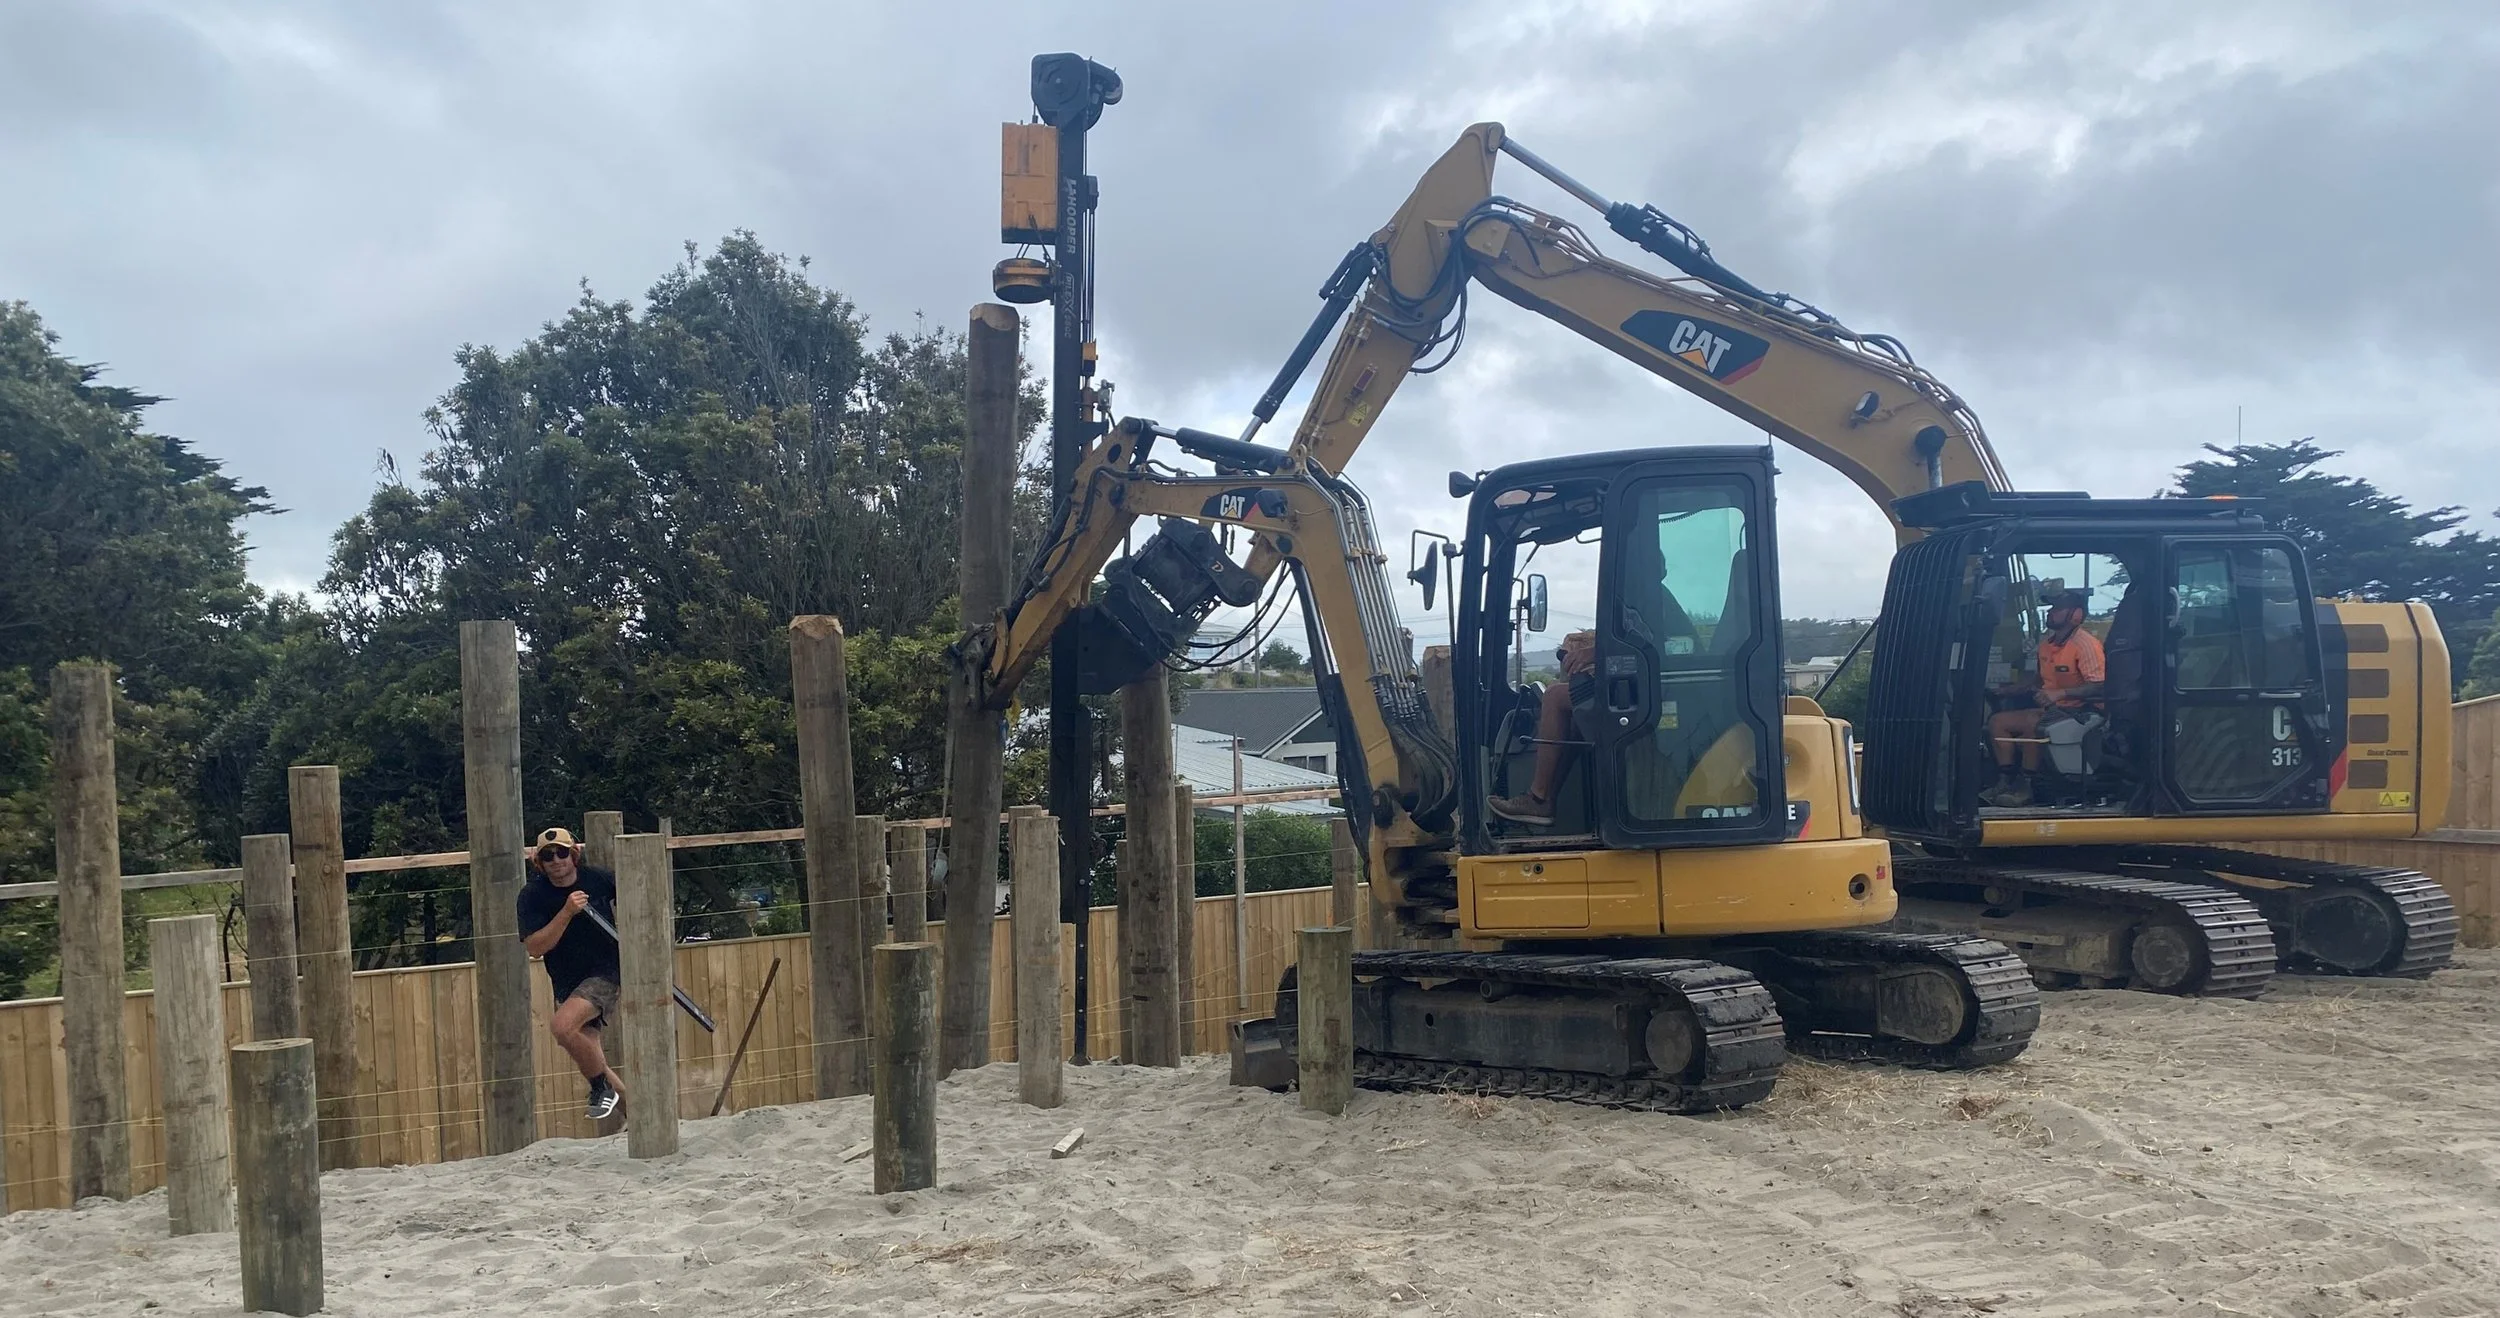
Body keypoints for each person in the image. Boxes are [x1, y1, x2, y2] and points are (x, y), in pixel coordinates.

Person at [517, 826, 625, 1119]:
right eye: (548, 856)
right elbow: (535, 947)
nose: (556, 860)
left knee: (562, 1027)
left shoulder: (599, 879)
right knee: (587, 1050)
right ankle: (634, 1111)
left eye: (562, 852)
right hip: (566, 980)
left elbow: (638, 898)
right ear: (540, 862)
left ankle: (602, 1089)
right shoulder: (532, 896)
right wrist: (565, 913)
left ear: (573, 854)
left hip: (606, 971)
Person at [1984, 591, 2106, 806]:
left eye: (2057, 609)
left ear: (2076, 615)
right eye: (2051, 608)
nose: (2050, 612)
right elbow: (2037, 681)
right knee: (1998, 722)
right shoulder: (2046, 645)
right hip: (2053, 710)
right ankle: (2005, 781)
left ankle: (2027, 786)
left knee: (2034, 724)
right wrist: (2007, 690)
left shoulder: (2086, 645)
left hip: (2082, 712)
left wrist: (2060, 694)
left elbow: (2099, 686)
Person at [1489, 629, 1597, 826]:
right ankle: (1545, 802)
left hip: (1636, 689)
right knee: (1573, 720)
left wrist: (1594, 652)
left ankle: (1538, 797)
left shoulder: (1640, 605)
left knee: (1554, 695)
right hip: (1631, 685)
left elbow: (1642, 641)